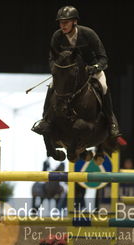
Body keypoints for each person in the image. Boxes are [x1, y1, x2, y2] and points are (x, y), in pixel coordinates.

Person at [32, 6, 124, 146]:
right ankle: (46, 121)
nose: (62, 25)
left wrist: (95, 67)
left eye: (66, 22)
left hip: (90, 69)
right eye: (61, 22)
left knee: (104, 87)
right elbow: (52, 58)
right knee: (52, 86)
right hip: (68, 73)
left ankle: (111, 122)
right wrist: (56, 71)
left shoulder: (88, 34)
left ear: (74, 21)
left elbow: (103, 58)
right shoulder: (57, 36)